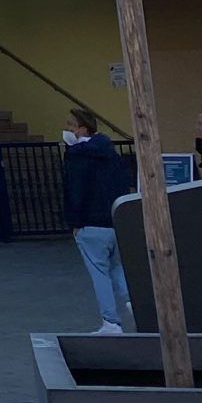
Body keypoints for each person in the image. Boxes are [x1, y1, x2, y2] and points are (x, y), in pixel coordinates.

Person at [61, 106, 134, 334]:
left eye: (71, 125)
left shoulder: (77, 157)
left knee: (99, 272)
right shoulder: (110, 152)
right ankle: (135, 304)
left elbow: (76, 191)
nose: (67, 129)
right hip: (114, 219)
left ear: (82, 128)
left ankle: (111, 321)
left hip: (89, 223)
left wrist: (75, 222)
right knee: (117, 268)